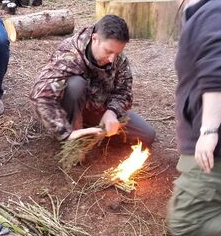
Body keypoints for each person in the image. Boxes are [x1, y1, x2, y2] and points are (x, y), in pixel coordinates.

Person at [166, 0, 221, 236]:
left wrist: (208, 131)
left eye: (180, 3)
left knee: (185, 220)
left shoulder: (213, 13)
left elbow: (219, 70)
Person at [30, 14, 155, 145]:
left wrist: (112, 111)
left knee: (146, 136)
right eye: (108, 51)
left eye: (117, 53)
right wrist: (65, 133)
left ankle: (93, 129)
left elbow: (124, 91)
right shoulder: (69, 55)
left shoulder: (117, 58)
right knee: (76, 85)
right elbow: (40, 95)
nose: (112, 59)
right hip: (71, 110)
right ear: (95, 39)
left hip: (99, 108)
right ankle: (75, 139)